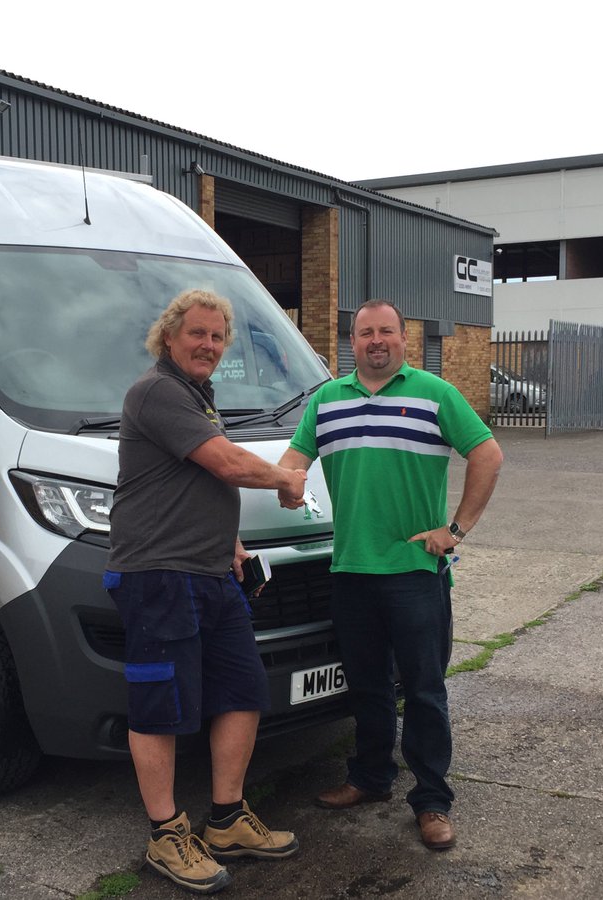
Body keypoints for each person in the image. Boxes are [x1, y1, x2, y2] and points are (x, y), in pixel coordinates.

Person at [278, 298, 503, 852]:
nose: (375, 341)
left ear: (404, 338)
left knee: (424, 690)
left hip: (414, 572)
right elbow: (292, 463)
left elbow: (488, 454)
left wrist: (457, 529)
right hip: (350, 570)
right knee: (369, 687)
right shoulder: (326, 401)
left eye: (386, 332)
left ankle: (431, 800)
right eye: (364, 333)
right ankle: (371, 778)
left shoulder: (436, 394)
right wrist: (279, 487)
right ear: (351, 342)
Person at [105, 288, 307, 894]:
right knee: (159, 708)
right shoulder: (157, 391)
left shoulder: (197, 396)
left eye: (219, 337)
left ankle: (226, 820)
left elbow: (186, 485)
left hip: (213, 572)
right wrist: (286, 478)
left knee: (242, 692)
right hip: (160, 576)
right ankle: (166, 834)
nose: (209, 346)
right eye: (198, 334)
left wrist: (231, 542)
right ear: (169, 337)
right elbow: (225, 464)